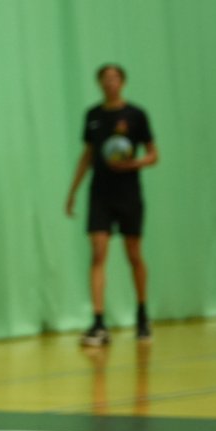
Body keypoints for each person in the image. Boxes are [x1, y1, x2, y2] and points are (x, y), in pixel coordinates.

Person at [64, 63, 159, 345]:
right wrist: (72, 191)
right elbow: (88, 155)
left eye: (115, 78)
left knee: (133, 254)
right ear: (99, 83)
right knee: (98, 252)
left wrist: (134, 162)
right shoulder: (93, 116)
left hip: (128, 193)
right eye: (105, 79)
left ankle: (142, 315)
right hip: (100, 194)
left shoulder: (136, 115)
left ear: (123, 82)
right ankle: (98, 322)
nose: (110, 83)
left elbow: (154, 154)